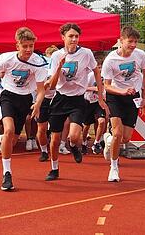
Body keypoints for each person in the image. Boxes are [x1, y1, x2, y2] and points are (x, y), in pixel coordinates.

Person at [0, 27, 48, 192]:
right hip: (8, 95)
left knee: (13, 141)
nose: (28, 50)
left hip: (25, 99)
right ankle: (7, 174)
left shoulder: (38, 62)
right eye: (25, 46)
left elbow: (41, 89)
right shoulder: (7, 59)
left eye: (31, 46)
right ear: (18, 46)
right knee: (9, 131)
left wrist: (37, 104)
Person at [44, 23, 106, 181]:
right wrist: (59, 67)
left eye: (76, 36)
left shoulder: (86, 53)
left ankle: (73, 146)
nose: (74, 39)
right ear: (63, 37)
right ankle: (54, 168)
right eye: (70, 36)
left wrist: (100, 96)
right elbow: (51, 84)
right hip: (60, 99)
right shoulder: (57, 56)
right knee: (55, 139)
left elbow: (96, 72)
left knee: (74, 136)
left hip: (78, 99)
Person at [101, 26, 145, 182]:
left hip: (133, 97)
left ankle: (108, 139)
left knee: (125, 138)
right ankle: (114, 168)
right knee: (117, 133)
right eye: (130, 41)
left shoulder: (140, 55)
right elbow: (106, 85)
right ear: (121, 41)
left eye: (136, 41)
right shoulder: (110, 60)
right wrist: (121, 91)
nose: (134, 45)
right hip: (115, 96)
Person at [35, 45, 58, 162]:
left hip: (57, 99)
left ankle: (55, 149)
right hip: (43, 99)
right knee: (41, 128)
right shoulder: (41, 66)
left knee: (55, 129)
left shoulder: (60, 67)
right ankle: (44, 151)